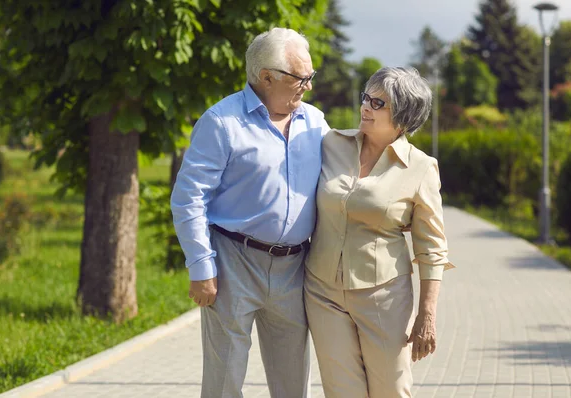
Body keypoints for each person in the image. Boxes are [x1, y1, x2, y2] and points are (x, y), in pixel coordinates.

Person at [170, 27, 329, 398]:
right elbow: (189, 198)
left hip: (294, 267)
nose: (307, 86)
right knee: (224, 382)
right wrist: (200, 267)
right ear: (266, 77)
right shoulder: (221, 122)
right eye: (300, 78)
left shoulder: (316, 122)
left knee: (293, 384)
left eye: (310, 76)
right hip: (232, 263)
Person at [304, 66, 455, 398]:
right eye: (366, 98)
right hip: (322, 292)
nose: (365, 107)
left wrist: (426, 315)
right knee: (341, 391)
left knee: (391, 390)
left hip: (384, 298)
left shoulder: (420, 167)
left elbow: (431, 248)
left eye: (378, 103)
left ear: (402, 118)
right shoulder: (330, 144)